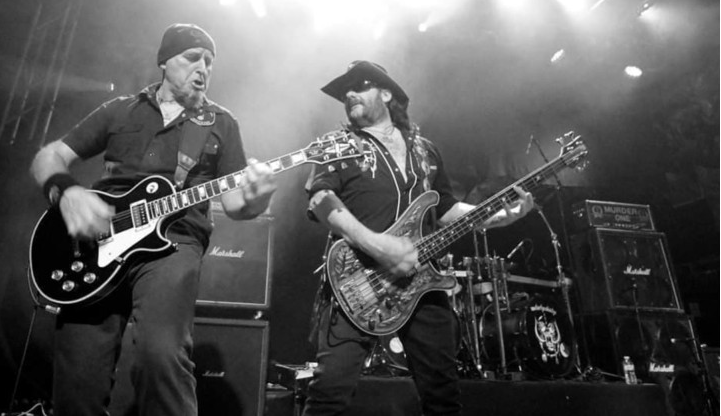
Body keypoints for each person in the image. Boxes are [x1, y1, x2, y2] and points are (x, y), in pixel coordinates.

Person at [30, 23, 276, 416]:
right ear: (164, 61)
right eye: (192, 58)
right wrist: (68, 192)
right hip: (98, 240)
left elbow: (235, 204)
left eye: (209, 62)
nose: (203, 68)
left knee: (160, 355)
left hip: (173, 242)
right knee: (78, 377)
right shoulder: (121, 109)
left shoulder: (221, 123)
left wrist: (258, 196)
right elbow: (49, 156)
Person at [302, 60, 534, 416]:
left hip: (422, 283)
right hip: (355, 279)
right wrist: (379, 246)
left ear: (386, 94)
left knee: (443, 398)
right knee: (328, 396)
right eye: (345, 91)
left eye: (360, 85)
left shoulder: (426, 150)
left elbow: (446, 209)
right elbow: (320, 200)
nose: (349, 94)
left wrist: (500, 216)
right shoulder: (337, 145)